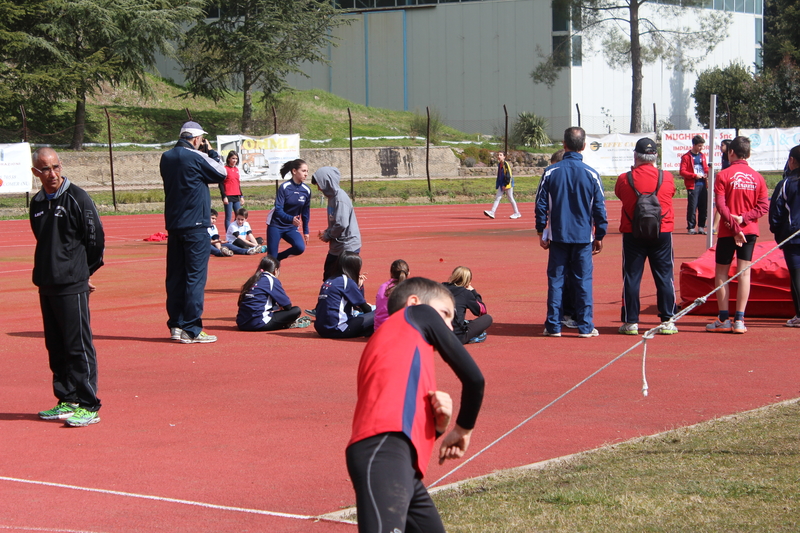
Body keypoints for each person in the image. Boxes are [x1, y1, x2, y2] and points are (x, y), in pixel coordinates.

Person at [346, 277, 485, 533]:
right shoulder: (416, 314)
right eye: (444, 314)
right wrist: (463, 429)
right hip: (383, 451)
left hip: (400, 463)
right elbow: (475, 380)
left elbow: (403, 422)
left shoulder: (404, 350)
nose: (449, 326)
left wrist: (439, 427)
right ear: (414, 303)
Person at [30, 148, 105, 427]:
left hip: (72, 283)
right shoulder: (37, 202)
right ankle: (67, 399)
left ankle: (88, 404)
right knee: (56, 345)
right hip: (47, 283)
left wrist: (85, 273)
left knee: (77, 346)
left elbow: (95, 238)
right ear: (36, 173)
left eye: (56, 167)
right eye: (45, 169)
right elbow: (43, 238)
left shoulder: (77, 197)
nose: (52, 174)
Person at [535, 126, 608, 338]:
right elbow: (600, 209)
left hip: (558, 236)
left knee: (556, 280)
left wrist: (541, 231)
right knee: (583, 281)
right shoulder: (592, 175)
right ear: (584, 146)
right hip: (583, 237)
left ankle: (553, 325)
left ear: (564, 145)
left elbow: (540, 205)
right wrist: (600, 235)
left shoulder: (550, 173)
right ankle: (585, 326)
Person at [160, 120, 227, 344]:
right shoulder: (197, 156)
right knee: (195, 278)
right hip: (196, 225)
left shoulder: (166, 157)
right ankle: (192, 328)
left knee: (175, 277)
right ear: (197, 139)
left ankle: (177, 326)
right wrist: (212, 154)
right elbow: (221, 173)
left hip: (175, 224)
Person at [614, 138, 679, 335]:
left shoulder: (625, 178)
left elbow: (620, 195)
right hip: (662, 231)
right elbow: (672, 193)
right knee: (665, 277)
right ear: (655, 157)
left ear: (636, 156)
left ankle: (631, 321)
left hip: (633, 232)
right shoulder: (666, 177)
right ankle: (668, 319)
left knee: (632, 277)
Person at [707, 135, 769, 334]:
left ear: (731, 152)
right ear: (748, 154)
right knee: (744, 273)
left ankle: (724, 318)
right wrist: (744, 219)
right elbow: (763, 206)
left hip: (728, 231)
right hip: (748, 231)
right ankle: (740, 320)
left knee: (722, 272)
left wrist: (735, 226)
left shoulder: (724, 175)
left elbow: (721, 206)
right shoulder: (758, 177)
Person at [769, 144, 800, 328]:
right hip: (792, 236)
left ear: (791, 161)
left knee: (797, 274)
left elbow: (776, 213)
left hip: (793, 238)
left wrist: (778, 233)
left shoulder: (785, 184)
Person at [312, 166, 362, 280]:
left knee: (344, 280)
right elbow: (336, 221)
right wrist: (327, 231)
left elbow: (341, 223)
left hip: (347, 247)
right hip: (337, 246)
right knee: (329, 277)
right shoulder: (332, 197)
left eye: (319, 184)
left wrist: (328, 235)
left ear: (326, 181)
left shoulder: (340, 198)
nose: (319, 188)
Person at [236, 256, 309, 331]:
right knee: (296, 310)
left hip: (242, 323)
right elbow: (287, 306)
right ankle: (286, 323)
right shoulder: (271, 279)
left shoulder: (252, 279)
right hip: (258, 323)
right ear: (275, 270)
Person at [314, 251, 374, 339]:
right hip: (337, 330)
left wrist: (358, 286)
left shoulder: (330, 279)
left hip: (321, 329)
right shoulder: (347, 282)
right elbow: (364, 309)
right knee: (381, 312)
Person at [549, 149, 577, 329]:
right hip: (575, 234)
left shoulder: (556, 179)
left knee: (564, 278)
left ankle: (566, 313)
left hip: (564, 235)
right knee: (568, 277)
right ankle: (565, 313)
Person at [266, 159, 311, 261]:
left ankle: (277, 258)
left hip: (291, 227)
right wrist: (291, 218)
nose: (306, 174)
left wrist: (306, 231)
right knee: (271, 258)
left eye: (307, 171)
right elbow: (278, 209)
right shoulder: (285, 187)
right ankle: (264, 272)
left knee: (300, 247)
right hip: (276, 225)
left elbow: (305, 212)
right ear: (294, 171)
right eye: (303, 171)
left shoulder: (306, 190)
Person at [443, 266, 493, 344]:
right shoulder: (465, 293)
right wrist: (473, 291)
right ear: (468, 281)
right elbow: (481, 311)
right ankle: (470, 337)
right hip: (457, 336)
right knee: (487, 318)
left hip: (438, 333)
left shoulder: (439, 288)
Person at [680, 135, 709, 235]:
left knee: (703, 206)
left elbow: (705, 168)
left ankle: (701, 226)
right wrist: (693, 175)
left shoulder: (702, 156)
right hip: (693, 185)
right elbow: (682, 171)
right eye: (699, 146)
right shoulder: (686, 157)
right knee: (693, 206)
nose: (701, 148)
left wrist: (707, 173)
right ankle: (691, 227)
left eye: (702, 146)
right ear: (694, 145)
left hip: (703, 184)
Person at [483, 151, 521, 219]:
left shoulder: (506, 164)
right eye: (498, 155)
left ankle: (517, 213)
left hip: (507, 184)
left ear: (504, 156)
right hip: (502, 184)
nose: (499, 156)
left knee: (510, 198)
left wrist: (506, 185)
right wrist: (499, 184)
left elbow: (509, 175)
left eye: (500, 155)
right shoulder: (499, 164)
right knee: (498, 197)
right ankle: (492, 212)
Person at [373, 259, 409, 330]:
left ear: (391, 273)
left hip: (378, 330)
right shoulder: (408, 289)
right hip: (396, 331)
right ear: (408, 273)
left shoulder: (383, 286)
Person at [220, 151, 243, 228]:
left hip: (236, 196)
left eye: (236, 159)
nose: (234, 160)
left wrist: (241, 196)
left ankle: (236, 232)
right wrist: (224, 196)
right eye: (233, 158)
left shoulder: (236, 169)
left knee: (239, 216)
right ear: (229, 159)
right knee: (228, 217)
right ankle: (228, 235)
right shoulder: (225, 169)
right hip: (228, 196)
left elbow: (238, 184)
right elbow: (221, 184)